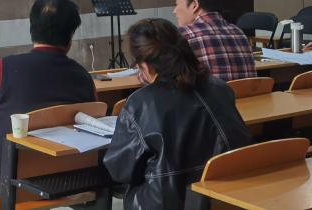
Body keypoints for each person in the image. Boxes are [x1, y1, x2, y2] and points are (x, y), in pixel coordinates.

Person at [104, 18, 250, 209]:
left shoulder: (140, 103)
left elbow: (119, 170)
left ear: (146, 66)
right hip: (224, 199)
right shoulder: (221, 89)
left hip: (166, 202)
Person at [0, 0, 96, 195]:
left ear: (32, 30)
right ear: (70, 38)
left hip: (8, 178)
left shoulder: (2, 68)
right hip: (70, 178)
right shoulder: (83, 76)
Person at [173, 0, 256, 80]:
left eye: (176, 4)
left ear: (194, 5)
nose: (174, 11)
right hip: (246, 91)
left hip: (209, 91)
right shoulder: (239, 32)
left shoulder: (184, 35)